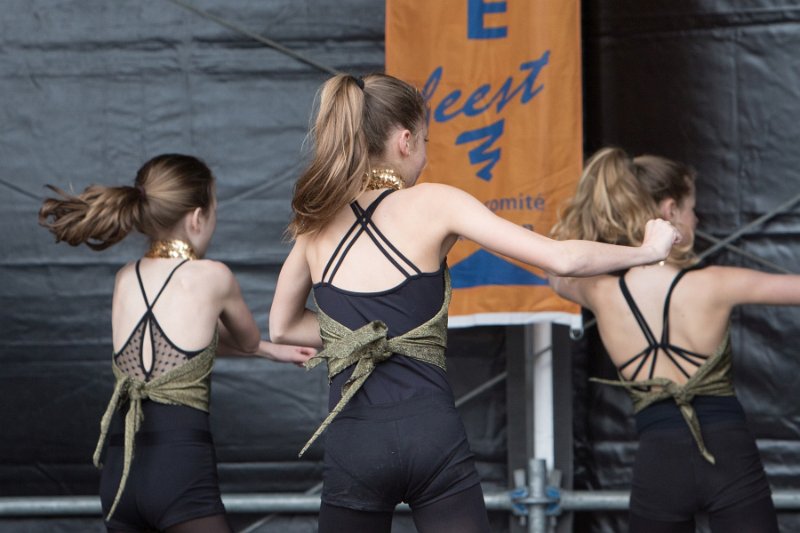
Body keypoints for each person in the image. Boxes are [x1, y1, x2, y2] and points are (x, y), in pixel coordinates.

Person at [268, 73, 679, 533]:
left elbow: (282, 328)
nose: (424, 156)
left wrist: (356, 337)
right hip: (431, 433)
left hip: (354, 440)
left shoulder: (314, 223)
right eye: (425, 141)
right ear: (405, 141)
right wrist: (648, 252)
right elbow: (562, 258)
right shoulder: (437, 203)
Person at [39, 154, 316, 533]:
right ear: (197, 217)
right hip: (179, 471)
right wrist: (266, 348)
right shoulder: (213, 276)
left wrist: (271, 351)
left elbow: (176, 348)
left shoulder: (125, 277)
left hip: (121, 475)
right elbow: (246, 340)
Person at [550, 147, 796, 533]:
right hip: (729, 453)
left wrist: (634, 250)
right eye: (691, 208)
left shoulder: (600, 292)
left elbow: (559, 266)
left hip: (658, 460)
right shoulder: (715, 283)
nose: (696, 218)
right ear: (670, 211)